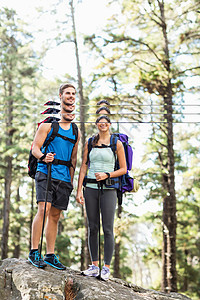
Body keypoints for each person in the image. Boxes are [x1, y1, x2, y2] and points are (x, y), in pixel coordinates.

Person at [28, 83, 81, 270]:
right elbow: (35, 147)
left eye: (74, 94)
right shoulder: (48, 125)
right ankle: (34, 251)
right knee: (43, 209)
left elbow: (74, 158)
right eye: (68, 93)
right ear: (60, 97)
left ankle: (50, 254)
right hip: (46, 171)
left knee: (56, 215)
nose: (71, 96)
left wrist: (72, 181)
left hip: (64, 177)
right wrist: (43, 156)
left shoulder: (76, 131)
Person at [76, 115, 127, 280]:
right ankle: (94, 266)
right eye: (100, 120)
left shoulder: (116, 143)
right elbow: (84, 166)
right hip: (90, 188)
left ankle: (106, 268)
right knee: (92, 227)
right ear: (97, 124)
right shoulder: (90, 143)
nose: (102, 123)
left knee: (107, 228)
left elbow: (124, 169)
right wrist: (78, 190)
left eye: (106, 120)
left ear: (109, 124)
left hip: (109, 189)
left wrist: (107, 174)